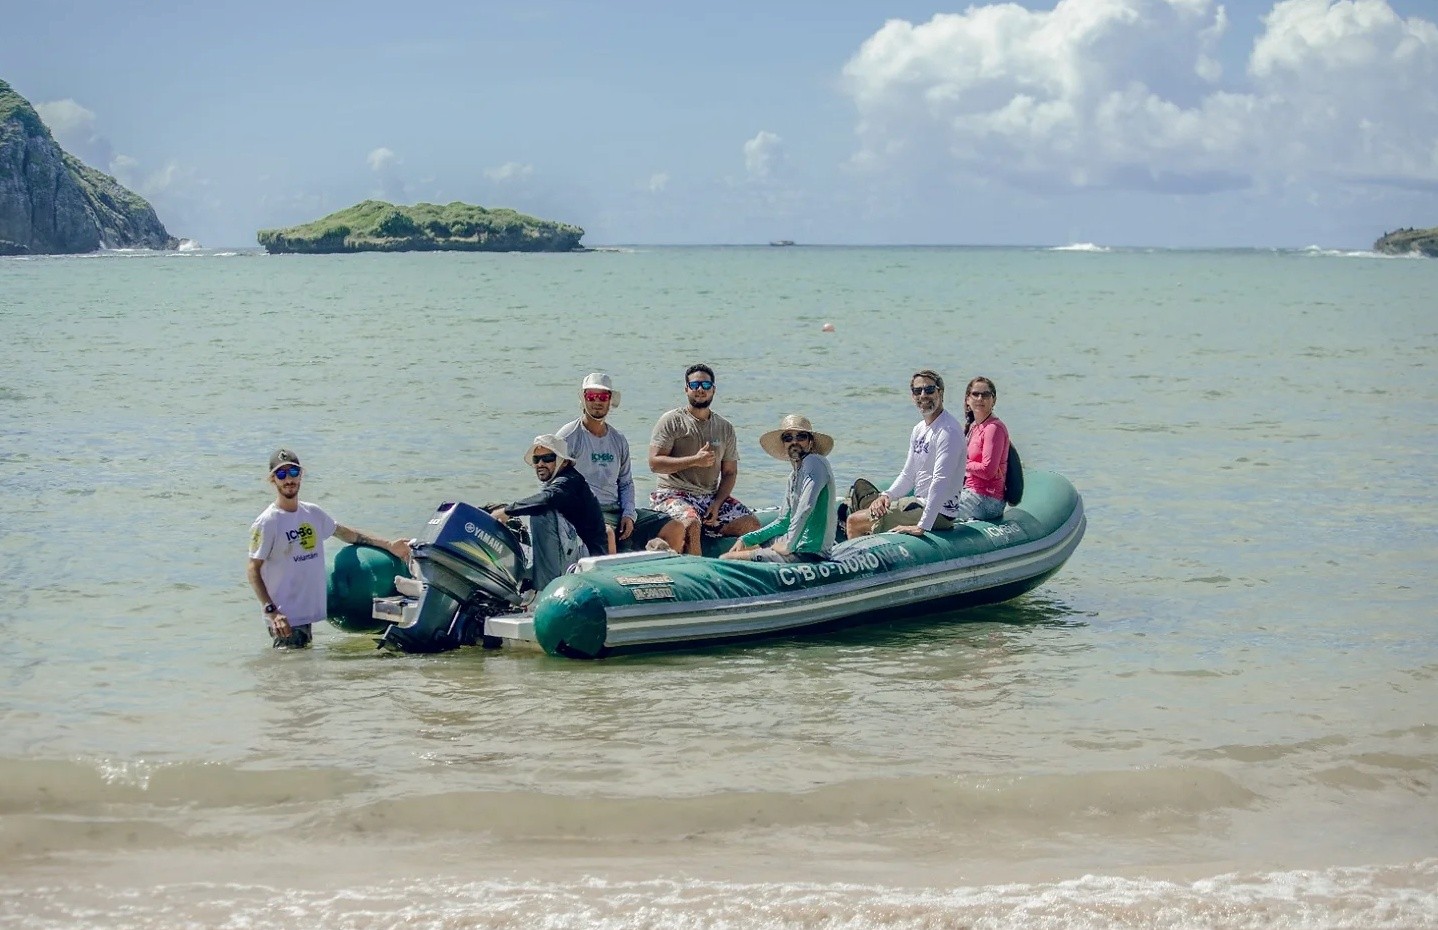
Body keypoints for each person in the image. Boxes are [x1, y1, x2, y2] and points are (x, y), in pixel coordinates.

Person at [247, 448, 411, 649]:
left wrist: (388, 545)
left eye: (293, 473)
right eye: (281, 474)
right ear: (273, 480)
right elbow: (253, 569)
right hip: (285, 618)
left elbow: (346, 534)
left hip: (304, 615)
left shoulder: (312, 513)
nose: (288, 479)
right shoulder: (267, 522)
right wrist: (271, 611)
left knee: (298, 673)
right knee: (292, 675)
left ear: (301, 475)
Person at [555, 372, 685, 555]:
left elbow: (625, 483)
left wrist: (629, 515)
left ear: (610, 400)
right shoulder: (568, 437)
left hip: (616, 510)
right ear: (584, 399)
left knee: (675, 527)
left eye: (603, 396)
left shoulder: (618, 440)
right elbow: (553, 483)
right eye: (591, 396)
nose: (597, 402)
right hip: (587, 512)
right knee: (606, 532)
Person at [648, 363, 761, 555]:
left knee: (752, 525)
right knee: (692, 522)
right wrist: (694, 460)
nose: (700, 389)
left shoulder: (725, 427)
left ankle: (715, 539)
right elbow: (655, 463)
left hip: (709, 496)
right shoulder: (672, 421)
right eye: (695, 385)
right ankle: (697, 569)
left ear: (713, 390)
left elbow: (729, 472)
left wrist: (717, 504)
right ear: (686, 389)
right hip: (673, 493)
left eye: (706, 386)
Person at [845, 369, 965, 538]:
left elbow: (941, 481)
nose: (923, 395)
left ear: (941, 392)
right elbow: (908, 474)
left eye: (929, 390)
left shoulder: (948, 431)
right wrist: (887, 495)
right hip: (919, 503)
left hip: (939, 512)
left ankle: (853, 563)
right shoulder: (919, 430)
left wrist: (922, 526)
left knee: (854, 521)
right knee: (853, 507)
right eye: (917, 391)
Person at [490, 434, 608, 595]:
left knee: (541, 512)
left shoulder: (569, 481)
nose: (540, 464)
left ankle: (546, 588)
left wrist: (507, 512)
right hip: (571, 552)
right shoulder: (559, 482)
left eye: (547, 458)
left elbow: (547, 499)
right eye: (536, 459)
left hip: (586, 560)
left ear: (563, 461)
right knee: (524, 514)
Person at [722, 414, 837, 563]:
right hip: (795, 545)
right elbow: (784, 522)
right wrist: (746, 539)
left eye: (801, 437)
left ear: (810, 442)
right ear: (784, 444)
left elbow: (806, 507)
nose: (794, 442)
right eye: (788, 438)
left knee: (727, 559)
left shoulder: (814, 462)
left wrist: (788, 546)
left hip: (810, 552)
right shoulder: (793, 476)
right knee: (748, 547)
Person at [956, 375, 1010, 522]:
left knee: (934, 514)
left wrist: (961, 463)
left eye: (985, 394)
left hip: (987, 499)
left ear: (994, 400)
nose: (980, 398)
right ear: (968, 400)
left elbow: (988, 470)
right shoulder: (974, 427)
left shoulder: (994, 428)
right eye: (975, 394)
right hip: (970, 493)